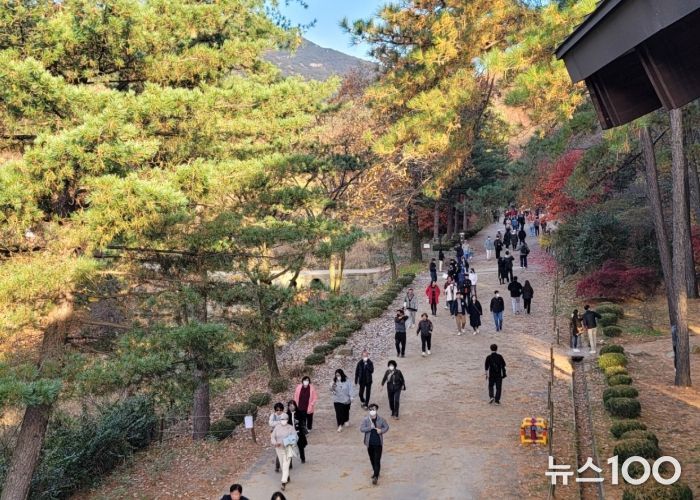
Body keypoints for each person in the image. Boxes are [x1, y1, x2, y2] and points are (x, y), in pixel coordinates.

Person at [360, 403, 390, 485]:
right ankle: (376, 472)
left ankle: (375, 476)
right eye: (371, 409)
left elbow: (386, 427)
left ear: (376, 410)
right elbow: (361, 429)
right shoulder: (366, 420)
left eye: (374, 409)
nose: (372, 410)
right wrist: (370, 428)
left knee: (377, 460)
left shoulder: (381, 419)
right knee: (372, 459)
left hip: (378, 443)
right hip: (369, 443)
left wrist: (381, 431)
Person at [270, 413, 297, 491]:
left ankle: (283, 482)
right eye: (282, 419)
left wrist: (286, 443)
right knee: (282, 465)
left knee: (285, 465)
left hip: (288, 449)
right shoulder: (277, 427)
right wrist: (275, 443)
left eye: (285, 419)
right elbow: (272, 437)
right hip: (278, 449)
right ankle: (287, 477)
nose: (283, 421)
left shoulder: (290, 428)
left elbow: (294, 438)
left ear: (287, 420)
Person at [287, 400, 307, 464]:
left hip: (298, 432)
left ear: (295, 406)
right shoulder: (287, 415)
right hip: (290, 434)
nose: (291, 407)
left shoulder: (299, 413)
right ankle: (290, 463)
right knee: (289, 448)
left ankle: (302, 458)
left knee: (301, 446)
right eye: (290, 406)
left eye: (292, 406)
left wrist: (298, 421)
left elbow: (303, 421)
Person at [269, 402, 286, 472]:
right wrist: (279, 422)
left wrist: (276, 423)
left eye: (280, 410)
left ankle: (287, 464)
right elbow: (270, 423)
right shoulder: (272, 415)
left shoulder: (284, 415)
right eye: (277, 410)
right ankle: (278, 466)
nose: (279, 411)